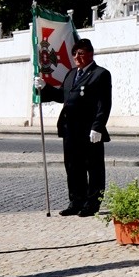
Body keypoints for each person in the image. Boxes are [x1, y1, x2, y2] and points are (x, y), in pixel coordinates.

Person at [35, 39, 111, 216]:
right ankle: (76, 201)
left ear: (91, 54)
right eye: (75, 53)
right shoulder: (71, 74)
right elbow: (62, 96)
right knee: (73, 167)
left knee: (93, 168)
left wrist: (98, 127)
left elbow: (104, 103)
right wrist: (45, 87)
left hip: (89, 130)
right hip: (70, 129)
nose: (77, 57)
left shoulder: (100, 74)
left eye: (81, 53)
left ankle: (92, 204)